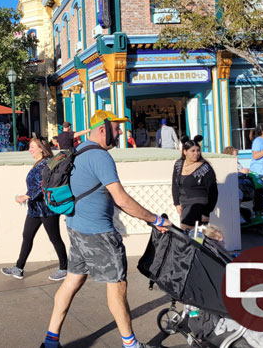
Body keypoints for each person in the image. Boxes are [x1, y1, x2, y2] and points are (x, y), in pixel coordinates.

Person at [42, 110, 169, 348]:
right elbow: (121, 199)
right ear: (103, 129)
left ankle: (50, 341)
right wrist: (155, 220)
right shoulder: (100, 157)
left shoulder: (78, 151)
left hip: (75, 228)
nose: (120, 132)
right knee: (117, 285)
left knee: (72, 281)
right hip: (98, 233)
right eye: (117, 128)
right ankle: (130, 344)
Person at [1, 137, 68, 282]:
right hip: (35, 208)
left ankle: (64, 268)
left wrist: (25, 196)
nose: (29, 150)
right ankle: (19, 268)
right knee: (27, 236)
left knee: (54, 238)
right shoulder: (39, 163)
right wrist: (27, 196)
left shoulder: (45, 164)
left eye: (32, 147)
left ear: (41, 149)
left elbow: (41, 186)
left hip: (47, 208)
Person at [171, 136, 218, 231]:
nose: (196, 153)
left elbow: (213, 192)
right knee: (188, 237)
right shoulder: (178, 164)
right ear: (185, 152)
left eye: (198, 150)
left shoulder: (205, 168)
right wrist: (176, 203)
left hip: (199, 206)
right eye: (193, 151)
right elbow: (175, 185)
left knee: (194, 238)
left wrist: (206, 212)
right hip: (184, 205)